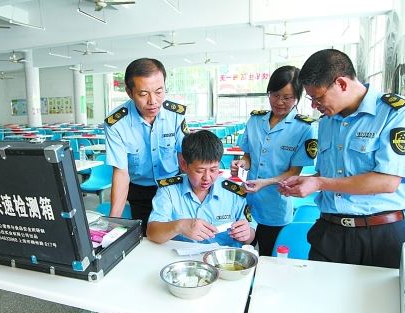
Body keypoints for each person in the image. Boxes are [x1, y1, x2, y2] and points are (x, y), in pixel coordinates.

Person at [279, 49, 405, 268]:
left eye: (318, 98)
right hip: (330, 231)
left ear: (342, 84)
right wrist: (309, 181)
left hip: (379, 233)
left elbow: (387, 181)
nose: (314, 106)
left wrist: (319, 183)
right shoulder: (328, 121)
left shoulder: (393, 113)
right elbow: (331, 175)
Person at [230, 65, 317, 256]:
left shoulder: (304, 128)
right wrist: (242, 163)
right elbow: (249, 155)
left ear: (297, 98)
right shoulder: (255, 120)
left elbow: (295, 172)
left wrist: (265, 183)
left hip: (275, 205)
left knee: (269, 258)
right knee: (242, 254)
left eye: (287, 98)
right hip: (247, 203)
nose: (279, 102)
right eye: (275, 95)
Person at [104, 58, 188, 234]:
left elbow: (184, 157)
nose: (153, 101)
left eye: (159, 92)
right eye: (143, 94)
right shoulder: (117, 123)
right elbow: (121, 171)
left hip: (173, 188)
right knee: (145, 239)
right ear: (129, 92)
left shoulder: (175, 114)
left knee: (175, 239)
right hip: (140, 192)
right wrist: (113, 221)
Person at [147, 130, 255, 247]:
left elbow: (249, 237)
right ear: (184, 165)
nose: (207, 178)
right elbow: (152, 233)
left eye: (213, 169)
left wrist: (247, 234)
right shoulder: (169, 191)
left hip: (223, 261)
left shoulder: (233, 193)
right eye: (199, 171)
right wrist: (180, 226)